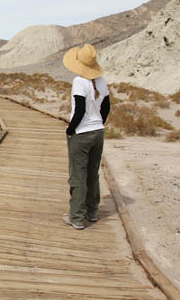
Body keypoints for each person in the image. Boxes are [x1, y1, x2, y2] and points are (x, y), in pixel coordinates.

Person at [61, 44, 110, 230]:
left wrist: (70, 129)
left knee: (77, 176)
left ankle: (76, 217)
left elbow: (79, 109)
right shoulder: (101, 81)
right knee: (92, 173)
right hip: (98, 132)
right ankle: (92, 211)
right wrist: (99, 122)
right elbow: (106, 107)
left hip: (82, 134)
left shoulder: (79, 82)